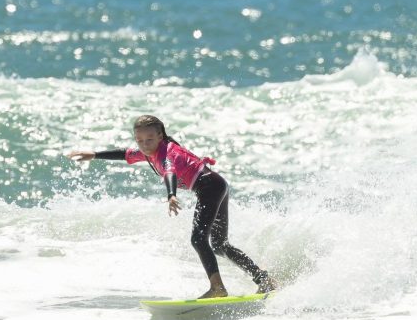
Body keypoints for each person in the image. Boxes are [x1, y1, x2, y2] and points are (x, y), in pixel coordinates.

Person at [68, 115, 278, 298]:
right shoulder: (148, 151)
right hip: (216, 185)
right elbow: (125, 154)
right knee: (220, 245)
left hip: (210, 187)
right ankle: (263, 279)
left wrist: (171, 195)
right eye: (139, 140)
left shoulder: (168, 153)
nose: (144, 144)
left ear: (161, 136)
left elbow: (170, 172)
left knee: (198, 239)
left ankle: (217, 288)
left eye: (149, 139)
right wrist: (95, 154)